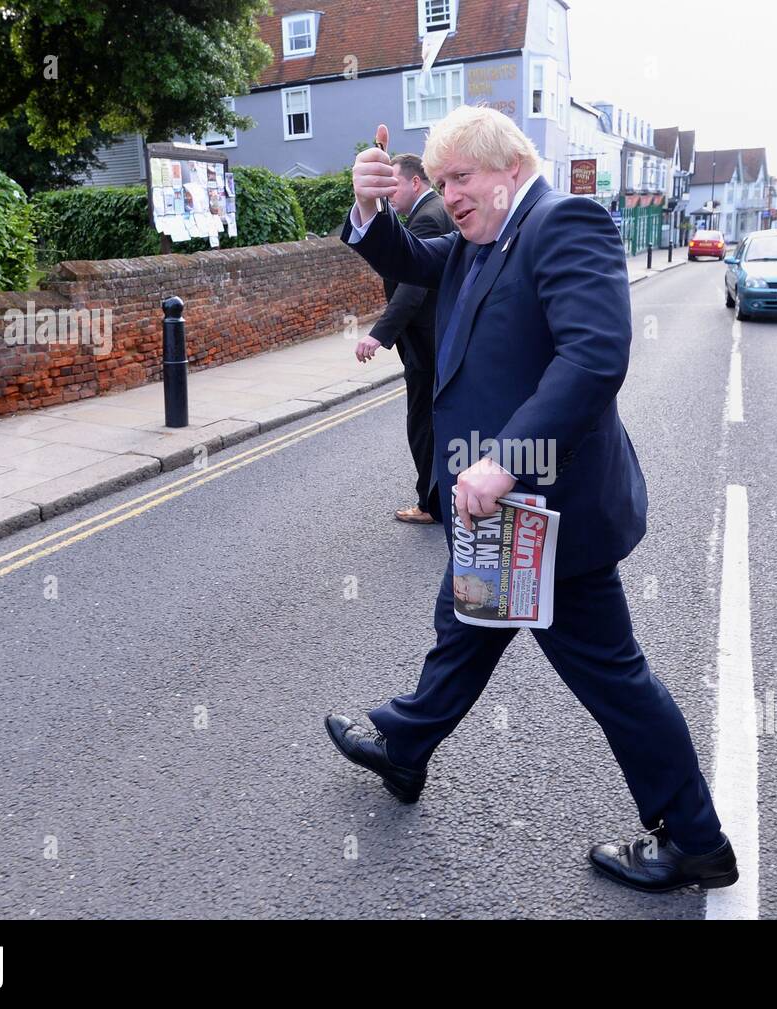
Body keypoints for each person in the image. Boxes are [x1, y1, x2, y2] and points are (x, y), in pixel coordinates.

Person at [324, 108, 738, 894]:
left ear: (509, 168)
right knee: (466, 623)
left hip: (550, 513)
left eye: (460, 180)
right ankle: (405, 747)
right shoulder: (482, 240)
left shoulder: (563, 222)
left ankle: (696, 839)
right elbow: (410, 254)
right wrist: (370, 207)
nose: (447, 197)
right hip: (501, 516)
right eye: (439, 183)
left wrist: (507, 463)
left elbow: (594, 357)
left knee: (612, 678)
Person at [354, 153, 457, 524]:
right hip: (439, 339)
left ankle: (431, 504)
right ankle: (443, 497)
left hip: (426, 343)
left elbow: (412, 285)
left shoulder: (429, 217)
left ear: (416, 182)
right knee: (436, 421)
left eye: (395, 184)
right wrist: (369, 204)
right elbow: (401, 255)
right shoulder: (434, 212)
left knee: (423, 425)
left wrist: (379, 335)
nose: (391, 193)